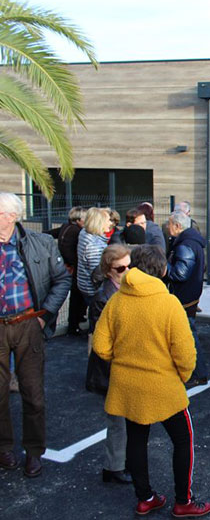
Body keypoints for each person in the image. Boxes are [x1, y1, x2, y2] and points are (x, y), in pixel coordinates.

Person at [92, 245, 210, 517]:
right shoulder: (168, 302)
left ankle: (145, 497)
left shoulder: (117, 301)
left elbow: (100, 346)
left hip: (128, 386)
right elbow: (185, 353)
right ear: (162, 270)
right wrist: (182, 376)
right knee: (183, 440)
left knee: (136, 440)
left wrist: (120, 360)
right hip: (164, 385)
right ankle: (184, 500)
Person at [0, 193, 70, 477]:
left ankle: (33, 451)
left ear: (12, 216)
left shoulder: (39, 243)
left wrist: (45, 316)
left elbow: (62, 279)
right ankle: (4, 447)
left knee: (33, 393)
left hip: (29, 324)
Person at [87, 244, 133, 485]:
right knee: (118, 421)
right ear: (108, 271)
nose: (127, 271)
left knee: (129, 420)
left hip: (126, 366)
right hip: (112, 369)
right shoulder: (103, 298)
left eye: (130, 265)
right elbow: (104, 341)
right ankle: (113, 467)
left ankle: (121, 463)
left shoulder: (126, 289)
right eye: (121, 268)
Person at [165, 211, 208, 387]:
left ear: (177, 226)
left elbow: (180, 273)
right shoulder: (192, 241)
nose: (167, 227)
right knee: (188, 334)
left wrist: (164, 266)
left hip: (183, 297)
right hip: (190, 295)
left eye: (169, 224)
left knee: (189, 336)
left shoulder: (185, 245)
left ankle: (199, 373)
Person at [58, 206, 87, 336]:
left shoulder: (65, 227)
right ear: (78, 219)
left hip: (68, 265)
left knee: (75, 297)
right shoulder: (77, 232)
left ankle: (75, 323)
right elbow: (68, 250)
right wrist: (72, 263)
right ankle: (74, 325)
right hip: (74, 267)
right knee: (76, 298)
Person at [77, 207, 112, 304]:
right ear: (99, 223)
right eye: (108, 220)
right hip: (93, 291)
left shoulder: (84, 233)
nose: (110, 223)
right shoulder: (94, 246)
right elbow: (97, 275)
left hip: (84, 285)